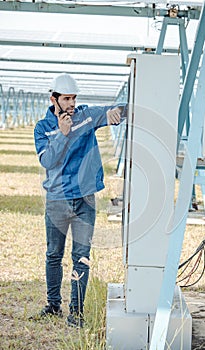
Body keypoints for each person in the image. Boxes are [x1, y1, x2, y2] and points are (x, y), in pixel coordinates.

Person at [33, 73, 126, 328]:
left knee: (81, 256)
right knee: (53, 254)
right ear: (54, 99)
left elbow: (112, 111)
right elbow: (47, 161)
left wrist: (118, 112)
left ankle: (77, 311)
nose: (72, 103)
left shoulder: (85, 116)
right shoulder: (43, 128)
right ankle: (53, 305)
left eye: (74, 98)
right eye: (66, 98)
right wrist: (62, 134)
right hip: (57, 201)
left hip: (85, 201)